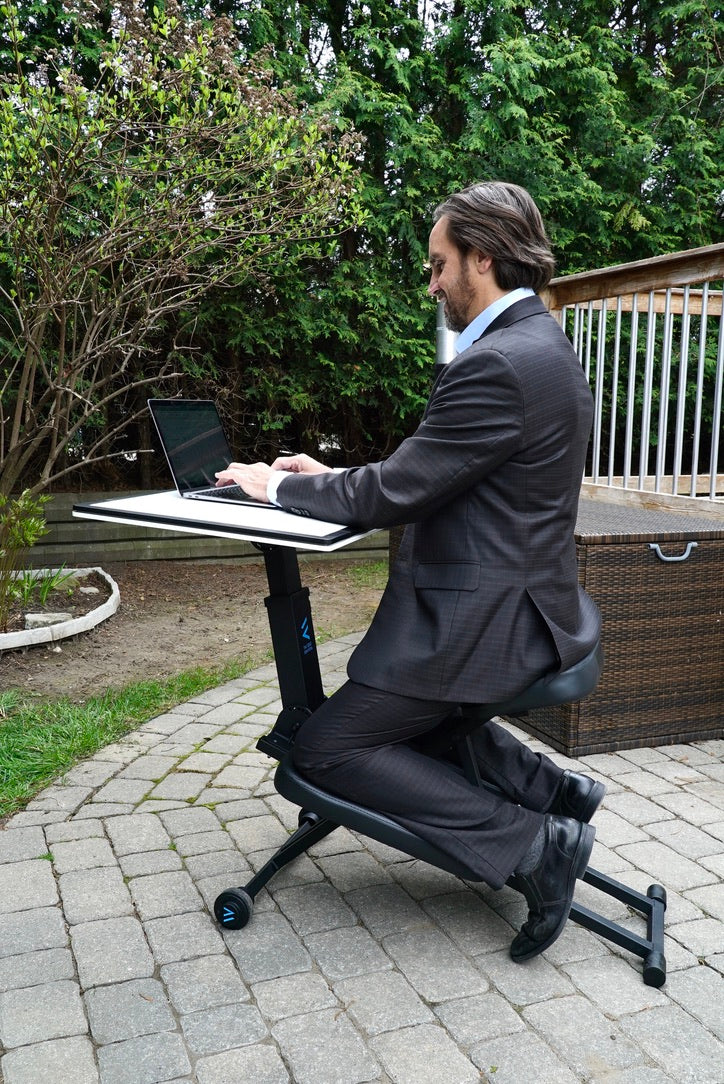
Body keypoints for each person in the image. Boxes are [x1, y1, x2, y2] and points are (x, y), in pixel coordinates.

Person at [215, 180, 604, 962]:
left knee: (325, 749)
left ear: (481, 259)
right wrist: (329, 474)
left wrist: (277, 485)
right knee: (398, 727)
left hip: (488, 620)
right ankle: (551, 789)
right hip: (528, 602)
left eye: (438, 264)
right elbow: (437, 470)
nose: (431, 284)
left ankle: (537, 845)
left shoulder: (499, 362)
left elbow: (397, 489)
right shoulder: (540, 346)